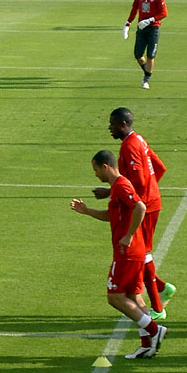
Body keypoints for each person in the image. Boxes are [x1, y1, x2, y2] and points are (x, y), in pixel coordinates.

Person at [71, 150, 167, 359]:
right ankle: (146, 344)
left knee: (114, 297)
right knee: (134, 297)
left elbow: (140, 207)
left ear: (105, 166)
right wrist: (87, 211)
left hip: (128, 251)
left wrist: (129, 235)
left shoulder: (122, 185)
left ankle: (154, 330)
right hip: (133, 250)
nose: (95, 174)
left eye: (96, 170)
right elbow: (111, 216)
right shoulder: (116, 187)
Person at [94, 107, 176, 320]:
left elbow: (138, 181)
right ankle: (159, 289)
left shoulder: (130, 146)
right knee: (143, 254)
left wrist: (120, 194)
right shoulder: (139, 139)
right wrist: (150, 190)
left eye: (112, 124)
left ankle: (157, 308)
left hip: (145, 206)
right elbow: (160, 168)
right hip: (151, 201)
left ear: (122, 124)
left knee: (143, 254)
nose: (109, 128)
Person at [123, 0, 167, 89]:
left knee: (150, 56)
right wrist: (127, 24)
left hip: (153, 29)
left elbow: (164, 13)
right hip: (141, 28)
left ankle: (146, 79)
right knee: (138, 54)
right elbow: (134, 10)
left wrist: (150, 20)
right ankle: (147, 71)